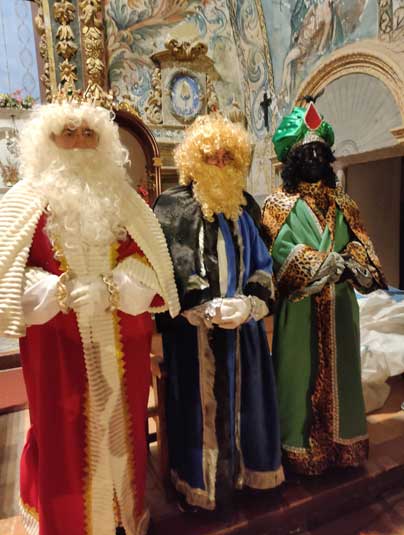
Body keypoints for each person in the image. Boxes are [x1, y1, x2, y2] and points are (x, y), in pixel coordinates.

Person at [0, 87, 179, 535]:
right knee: (61, 434)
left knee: (123, 428)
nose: (79, 142)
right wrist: (56, 292)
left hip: (122, 343)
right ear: (47, 139)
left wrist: (114, 288)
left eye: (88, 133)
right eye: (68, 132)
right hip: (55, 348)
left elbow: (152, 263)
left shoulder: (126, 200)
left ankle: (121, 518)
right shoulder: (22, 201)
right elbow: (8, 275)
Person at [153, 114, 284, 512]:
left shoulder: (245, 209)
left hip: (244, 332)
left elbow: (263, 265)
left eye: (228, 157)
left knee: (248, 406)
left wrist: (249, 304)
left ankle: (247, 476)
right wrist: (200, 307)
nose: (220, 164)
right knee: (196, 413)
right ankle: (201, 487)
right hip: (195, 338)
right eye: (211, 156)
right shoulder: (171, 208)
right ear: (194, 160)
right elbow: (165, 270)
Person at [262, 102, 387, 475]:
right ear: (292, 159)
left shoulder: (344, 203)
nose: (315, 158)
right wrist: (318, 263)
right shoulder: (277, 206)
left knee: (343, 374)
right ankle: (300, 450)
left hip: (340, 305)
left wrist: (351, 263)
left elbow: (362, 246)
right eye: (307, 152)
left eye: (320, 151)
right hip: (300, 308)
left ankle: (344, 446)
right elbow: (276, 253)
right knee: (297, 375)